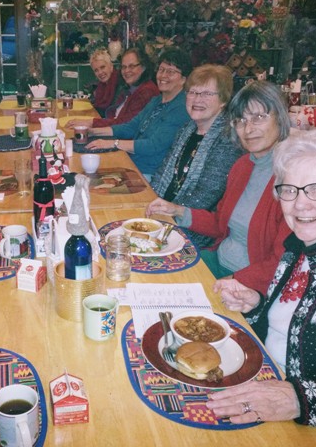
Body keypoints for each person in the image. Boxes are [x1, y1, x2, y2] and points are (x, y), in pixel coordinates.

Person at [207, 128, 316, 447]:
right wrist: (256, 305)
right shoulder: (299, 248)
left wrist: (300, 400)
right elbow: (287, 330)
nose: (299, 205)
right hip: (263, 387)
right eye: (289, 190)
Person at [146, 81, 292, 294]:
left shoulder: (292, 177)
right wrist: (177, 210)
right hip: (217, 261)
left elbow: (284, 261)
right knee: (147, 276)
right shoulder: (243, 165)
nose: (248, 129)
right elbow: (220, 223)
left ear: (280, 117)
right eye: (241, 120)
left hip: (248, 284)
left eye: (259, 118)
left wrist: (235, 280)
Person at [149, 64, 243, 247]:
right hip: (165, 215)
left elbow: (205, 197)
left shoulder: (227, 139)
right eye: (192, 92)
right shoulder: (187, 129)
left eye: (207, 94)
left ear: (223, 100)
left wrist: (166, 215)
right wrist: (151, 201)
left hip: (193, 231)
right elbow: (162, 172)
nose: (197, 99)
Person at [84, 47, 192, 179]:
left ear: (183, 79)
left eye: (170, 72)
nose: (163, 75)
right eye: (161, 70)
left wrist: (113, 143)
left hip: (148, 174)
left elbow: (153, 145)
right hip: (131, 163)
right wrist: (92, 131)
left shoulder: (181, 108)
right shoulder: (156, 100)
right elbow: (130, 127)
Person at [65, 47, 159, 131]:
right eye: (124, 67)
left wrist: (91, 123)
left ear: (143, 67)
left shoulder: (145, 91)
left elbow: (124, 124)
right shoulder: (132, 87)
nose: (126, 71)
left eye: (131, 66)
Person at [88, 48, 121, 117]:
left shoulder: (120, 85)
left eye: (102, 67)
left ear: (111, 66)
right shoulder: (100, 87)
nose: (100, 72)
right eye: (96, 70)